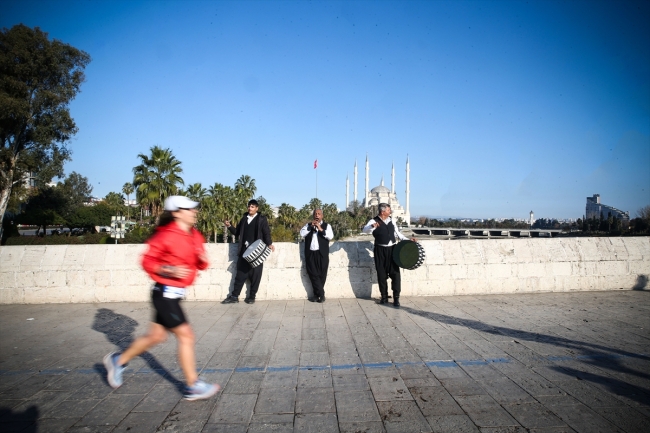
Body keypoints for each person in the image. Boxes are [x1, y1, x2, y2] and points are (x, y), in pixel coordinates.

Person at [103, 196, 220, 401]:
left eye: (194, 209)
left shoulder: (194, 235)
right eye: (189, 209)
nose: (194, 212)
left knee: (156, 337)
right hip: (164, 293)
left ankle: (117, 361)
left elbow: (200, 262)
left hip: (175, 294)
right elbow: (147, 261)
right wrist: (169, 269)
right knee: (186, 336)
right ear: (176, 212)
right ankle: (192, 385)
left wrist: (201, 262)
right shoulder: (165, 235)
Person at [362, 203, 417, 308]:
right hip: (380, 250)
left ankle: (396, 298)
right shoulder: (373, 221)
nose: (390, 211)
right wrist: (372, 226)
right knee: (381, 275)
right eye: (388, 210)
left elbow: (398, 234)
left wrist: (408, 240)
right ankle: (384, 297)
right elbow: (365, 230)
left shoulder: (392, 220)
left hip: (392, 250)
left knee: (395, 274)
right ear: (382, 212)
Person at [222, 199, 274, 304]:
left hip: (257, 252)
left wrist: (269, 243)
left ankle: (252, 297)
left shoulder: (261, 219)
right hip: (244, 251)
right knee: (240, 275)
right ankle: (234, 296)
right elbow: (237, 232)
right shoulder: (244, 219)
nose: (250, 208)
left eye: (252, 206)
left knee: (256, 275)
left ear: (257, 208)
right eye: (249, 206)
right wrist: (229, 226)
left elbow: (266, 232)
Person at [299, 209, 334, 303]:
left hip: (322, 254)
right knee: (313, 274)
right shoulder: (308, 225)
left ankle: (316, 295)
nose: (317, 215)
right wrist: (311, 227)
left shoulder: (327, 226)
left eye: (319, 214)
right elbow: (302, 233)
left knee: (322, 274)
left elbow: (330, 236)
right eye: (315, 214)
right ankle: (321, 294)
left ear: (322, 216)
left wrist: (320, 228)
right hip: (310, 253)